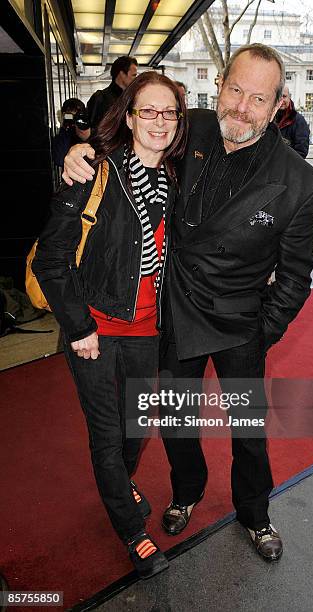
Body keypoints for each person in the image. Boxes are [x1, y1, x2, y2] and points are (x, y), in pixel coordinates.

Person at [62, 43, 313, 563]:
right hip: (176, 313)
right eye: (234, 89)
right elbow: (133, 138)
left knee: (249, 432)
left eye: (257, 98)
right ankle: (186, 493)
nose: (241, 107)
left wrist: (259, 329)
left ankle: (256, 514)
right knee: (176, 420)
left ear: (277, 106)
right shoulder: (194, 127)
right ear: (220, 85)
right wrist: (82, 150)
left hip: (239, 323)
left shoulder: (300, 183)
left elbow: (295, 278)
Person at [33, 71, 187, 579]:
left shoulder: (174, 179)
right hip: (94, 329)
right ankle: (130, 529)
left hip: (146, 331)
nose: (159, 122)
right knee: (106, 433)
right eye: (148, 111)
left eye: (169, 112)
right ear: (129, 116)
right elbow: (50, 260)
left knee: (136, 426)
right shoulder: (96, 171)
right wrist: (78, 328)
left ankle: (122, 480)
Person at [87, 56, 138, 129]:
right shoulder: (100, 98)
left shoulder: (133, 98)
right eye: (134, 75)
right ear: (122, 74)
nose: (135, 79)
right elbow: (92, 129)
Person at [52, 98, 91, 167]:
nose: (72, 120)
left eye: (76, 116)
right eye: (69, 116)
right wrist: (64, 127)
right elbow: (59, 160)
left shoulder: (87, 131)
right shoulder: (63, 135)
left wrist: (83, 128)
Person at [275, 85, 310, 158]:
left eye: (284, 96)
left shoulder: (299, 121)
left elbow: (301, 151)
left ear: (289, 97)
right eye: (278, 97)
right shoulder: (269, 119)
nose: (281, 100)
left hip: (287, 167)